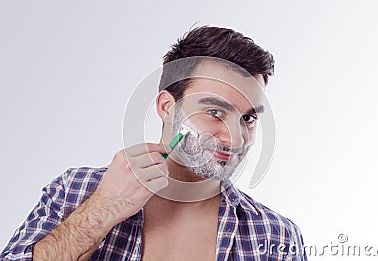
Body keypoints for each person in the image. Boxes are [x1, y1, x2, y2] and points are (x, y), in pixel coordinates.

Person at [1, 26, 307, 261]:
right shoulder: (75, 190)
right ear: (166, 106)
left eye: (249, 118)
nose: (235, 137)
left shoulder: (275, 235)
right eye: (215, 112)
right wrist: (103, 210)